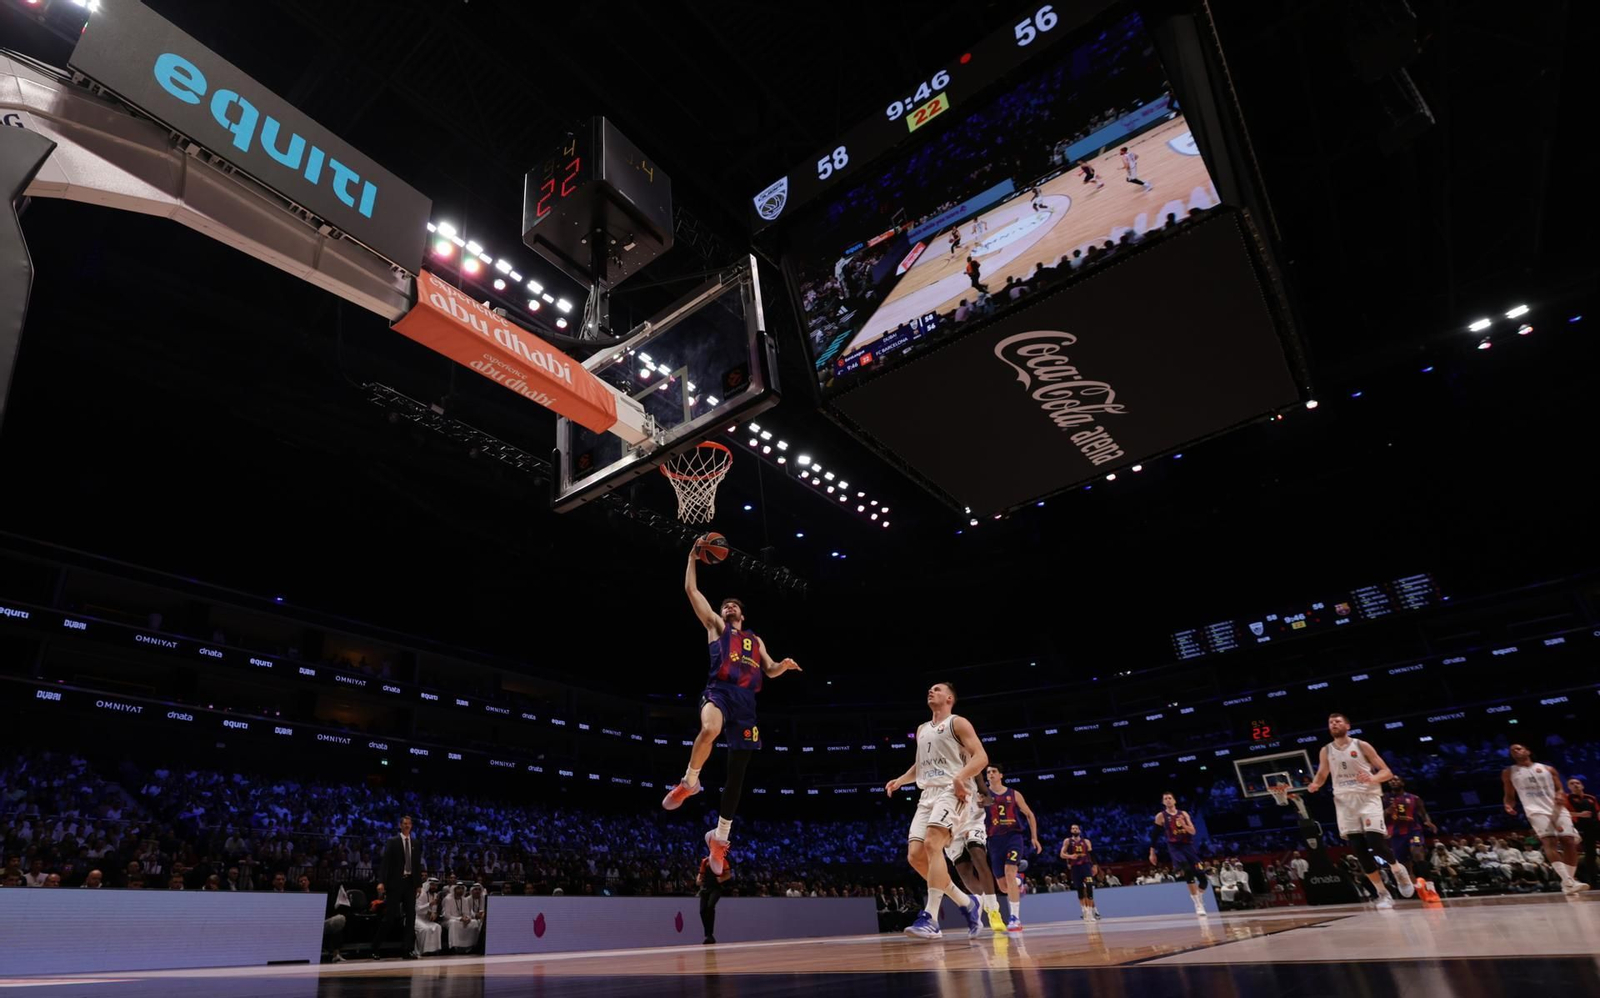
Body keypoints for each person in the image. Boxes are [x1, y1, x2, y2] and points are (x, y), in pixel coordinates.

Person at [662, 541, 800, 879]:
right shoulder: (715, 627)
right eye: (725, 605)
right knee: (709, 730)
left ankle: (719, 838)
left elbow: (768, 669)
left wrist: (782, 665)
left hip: (747, 705)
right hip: (720, 692)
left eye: (733, 605)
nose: (728, 607)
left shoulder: (755, 640)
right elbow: (690, 589)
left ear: (743, 614)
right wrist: (691, 558)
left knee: (736, 775)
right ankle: (690, 782)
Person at [884, 682, 988, 940]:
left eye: (937, 689)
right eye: (930, 689)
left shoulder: (958, 723)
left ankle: (930, 918)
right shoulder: (922, 729)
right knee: (915, 856)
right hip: (928, 794)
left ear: (950, 698)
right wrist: (900, 780)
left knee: (933, 844)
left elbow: (981, 758)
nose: (931, 691)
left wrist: (960, 777)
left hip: (954, 790)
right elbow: (921, 765)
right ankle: (967, 903)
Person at [1305, 713, 1414, 908]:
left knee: (1375, 842)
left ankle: (1398, 870)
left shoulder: (1361, 745)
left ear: (1347, 725)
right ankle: (1382, 893)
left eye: (1338, 721)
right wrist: (1315, 784)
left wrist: (1372, 778)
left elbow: (1387, 772)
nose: (1334, 724)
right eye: (1331, 722)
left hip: (1368, 797)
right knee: (1359, 850)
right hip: (1344, 801)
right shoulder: (1326, 750)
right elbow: (1322, 773)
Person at [1502, 744, 1588, 894]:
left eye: (1519, 748)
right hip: (1535, 810)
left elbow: (1559, 788)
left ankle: (1568, 882)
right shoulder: (1509, 772)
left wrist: (1561, 794)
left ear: (1528, 751)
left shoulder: (1548, 769)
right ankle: (1567, 880)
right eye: (1512, 750)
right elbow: (1509, 795)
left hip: (1557, 808)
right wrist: (1508, 805)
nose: (1515, 751)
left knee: (1569, 842)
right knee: (1550, 841)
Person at [983, 763, 1041, 932]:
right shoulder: (983, 795)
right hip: (994, 841)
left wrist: (1034, 837)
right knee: (1003, 886)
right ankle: (1018, 881)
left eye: (994, 771)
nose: (991, 774)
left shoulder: (1014, 794)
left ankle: (1015, 918)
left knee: (1009, 871)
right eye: (988, 772)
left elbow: (1029, 814)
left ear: (1001, 775)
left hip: (1013, 837)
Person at [1149, 792, 1209, 916]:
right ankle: (1197, 904)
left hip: (1189, 846)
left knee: (1203, 880)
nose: (1168, 800)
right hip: (1175, 847)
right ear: (1163, 802)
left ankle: (1199, 897)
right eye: (1165, 799)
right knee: (1187, 870)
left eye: (1170, 798)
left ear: (1174, 800)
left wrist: (1184, 825)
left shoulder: (1183, 814)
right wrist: (1152, 852)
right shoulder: (1161, 816)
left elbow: (1193, 831)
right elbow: (1154, 836)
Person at [373, 814, 421, 959]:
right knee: (390, 916)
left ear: (411, 826)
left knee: (411, 917)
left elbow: (417, 865)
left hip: (410, 883)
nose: (407, 826)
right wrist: (381, 881)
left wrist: (418, 884)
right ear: (400, 825)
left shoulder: (416, 842)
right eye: (404, 823)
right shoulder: (392, 841)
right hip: (395, 883)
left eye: (409, 824)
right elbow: (385, 863)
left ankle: (406, 949)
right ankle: (375, 947)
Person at [1384, 776, 1437, 876]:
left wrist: (1428, 822)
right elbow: (1379, 815)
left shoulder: (1414, 798)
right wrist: (1387, 811)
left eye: (1396, 780)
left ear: (1402, 783)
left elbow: (1423, 813)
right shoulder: (1385, 798)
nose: (1393, 782)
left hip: (1413, 830)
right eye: (1390, 780)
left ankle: (1430, 884)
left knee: (1417, 853)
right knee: (1404, 865)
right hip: (1395, 834)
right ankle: (1414, 889)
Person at [1059, 823, 1098, 922]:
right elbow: (1062, 854)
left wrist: (1095, 866)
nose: (1075, 830)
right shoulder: (1067, 841)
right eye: (1073, 828)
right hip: (1075, 867)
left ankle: (1090, 913)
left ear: (1079, 830)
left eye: (1076, 828)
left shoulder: (1086, 841)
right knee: (1080, 889)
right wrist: (1070, 856)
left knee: (1089, 886)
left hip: (1086, 866)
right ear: (1071, 831)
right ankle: (1084, 911)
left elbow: (1092, 854)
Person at [1566, 777, 1599, 884]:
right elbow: (1564, 813)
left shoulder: (1591, 798)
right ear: (1569, 787)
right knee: (1590, 854)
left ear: (1582, 786)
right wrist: (1579, 815)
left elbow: (1598, 812)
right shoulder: (1567, 798)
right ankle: (1593, 880)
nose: (1575, 785)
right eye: (1572, 783)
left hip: (1596, 826)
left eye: (1577, 783)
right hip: (1581, 828)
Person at [696, 855, 735, 943]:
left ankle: (709, 934)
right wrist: (698, 880)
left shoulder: (722, 860)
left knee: (710, 906)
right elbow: (700, 874)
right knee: (702, 911)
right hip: (705, 888)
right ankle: (708, 935)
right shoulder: (705, 861)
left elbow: (728, 875)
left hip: (716, 888)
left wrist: (721, 879)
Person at [413, 880, 443, 956]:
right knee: (425, 929)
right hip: (417, 918)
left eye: (436, 885)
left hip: (426, 919)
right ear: (428, 885)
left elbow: (434, 910)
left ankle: (434, 951)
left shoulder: (435, 895)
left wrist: (434, 914)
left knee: (437, 927)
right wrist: (430, 904)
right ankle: (423, 951)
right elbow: (417, 909)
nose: (434, 887)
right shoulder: (421, 894)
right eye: (432, 885)